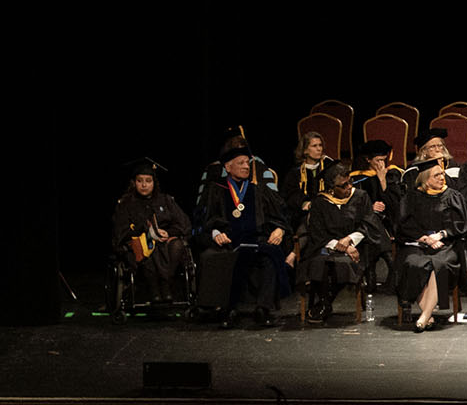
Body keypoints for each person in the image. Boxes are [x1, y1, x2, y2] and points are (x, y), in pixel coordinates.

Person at [199, 144, 292, 328]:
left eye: (247, 163)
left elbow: (281, 215)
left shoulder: (259, 190)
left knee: (270, 257)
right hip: (229, 242)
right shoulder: (216, 191)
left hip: (256, 240)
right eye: (240, 163)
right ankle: (228, 310)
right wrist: (216, 233)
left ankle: (263, 310)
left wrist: (280, 229)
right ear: (228, 167)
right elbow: (205, 220)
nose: (246, 166)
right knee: (217, 258)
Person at [297, 162, 386, 324]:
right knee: (320, 261)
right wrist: (339, 245)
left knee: (343, 262)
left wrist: (350, 240)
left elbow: (369, 224)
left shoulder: (360, 197)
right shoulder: (320, 202)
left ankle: (325, 303)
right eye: (343, 185)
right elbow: (317, 233)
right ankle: (324, 302)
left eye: (350, 182)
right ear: (331, 188)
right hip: (326, 246)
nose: (348, 187)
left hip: (359, 246)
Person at [394, 158, 467, 332]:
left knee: (440, 264)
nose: (441, 178)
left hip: (445, 244)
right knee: (415, 263)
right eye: (436, 175)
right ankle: (427, 315)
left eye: (442, 174)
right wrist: (424, 238)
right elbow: (404, 224)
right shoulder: (412, 197)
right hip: (417, 243)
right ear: (425, 178)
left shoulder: (452, 196)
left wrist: (441, 235)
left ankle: (424, 316)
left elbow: (461, 223)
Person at [111, 159, 192, 308]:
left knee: (177, 245)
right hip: (139, 246)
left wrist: (167, 232)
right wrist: (148, 232)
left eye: (148, 181)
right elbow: (121, 233)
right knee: (149, 244)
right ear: (134, 183)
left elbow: (184, 224)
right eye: (140, 181)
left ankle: (166, 284)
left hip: (166, 243)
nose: (144, 185)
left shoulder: (166, 200)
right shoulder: (126, 204)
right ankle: (155, 288)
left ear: (154, 183)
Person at [283, 131, 332, 228]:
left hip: (328, 211)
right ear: (305, 150)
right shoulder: (295, 172)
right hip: (304, 214)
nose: (319, 149)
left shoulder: (329, 167)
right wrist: (304, 202)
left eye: (320, 145)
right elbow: (290, 195)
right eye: (314, 146)